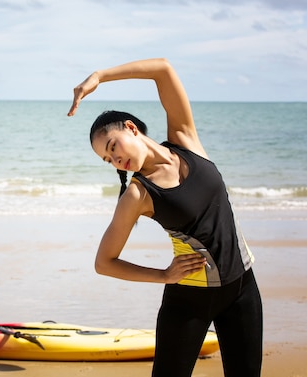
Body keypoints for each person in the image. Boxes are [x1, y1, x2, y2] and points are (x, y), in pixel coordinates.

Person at [67, 58, 263, 377]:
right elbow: (104, 262)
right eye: (108, 159)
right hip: (189, 301)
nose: (116, 159)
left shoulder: (185, 140)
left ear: (131, 128)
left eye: (113, 146)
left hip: (243, 288)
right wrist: (162, 275)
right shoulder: (138, 194)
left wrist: (100, 77)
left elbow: (162, 69)